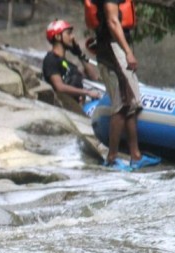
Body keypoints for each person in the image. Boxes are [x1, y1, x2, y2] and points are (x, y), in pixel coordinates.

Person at [88, 0, 161, 170]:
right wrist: (128, 52)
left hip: (113, 48)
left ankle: (135, 156)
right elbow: (113, 22)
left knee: (131, 104)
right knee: (121, 105)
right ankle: (112, 158)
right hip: (114, 51)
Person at [42, 20, 102, 107]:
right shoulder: (51, 60)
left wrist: (80, 54)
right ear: (58, 37)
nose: (72, 37)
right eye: (68, 33)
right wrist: (87, 92)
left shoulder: (67, 63)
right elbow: (59, 87)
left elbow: (93, 77)